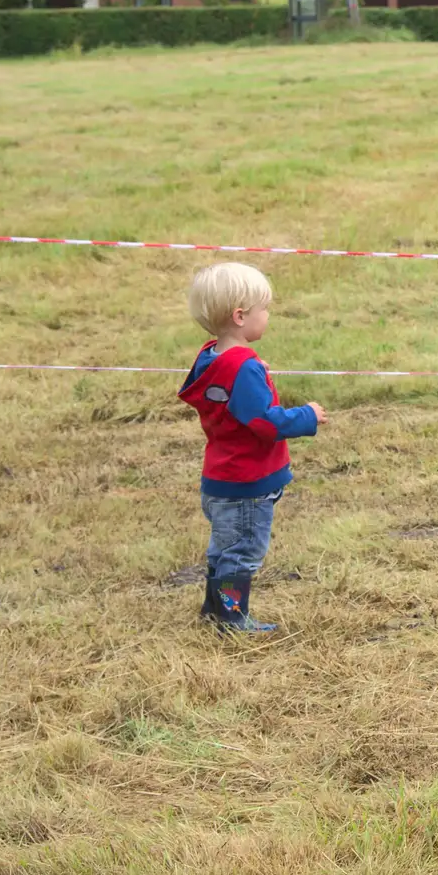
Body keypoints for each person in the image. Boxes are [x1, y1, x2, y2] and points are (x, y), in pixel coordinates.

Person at [178, 263, 324, 634]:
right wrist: (307, 416)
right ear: (240, 316)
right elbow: (265, 422)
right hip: (247, 483)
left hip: (220, 478)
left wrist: (250, 369)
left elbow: (224, 388)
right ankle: (231, 619)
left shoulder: (212, 356)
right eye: (265, 308)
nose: (268, 315)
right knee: (242, 552)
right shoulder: (242, 367)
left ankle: (215, 610)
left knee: (223, 548)